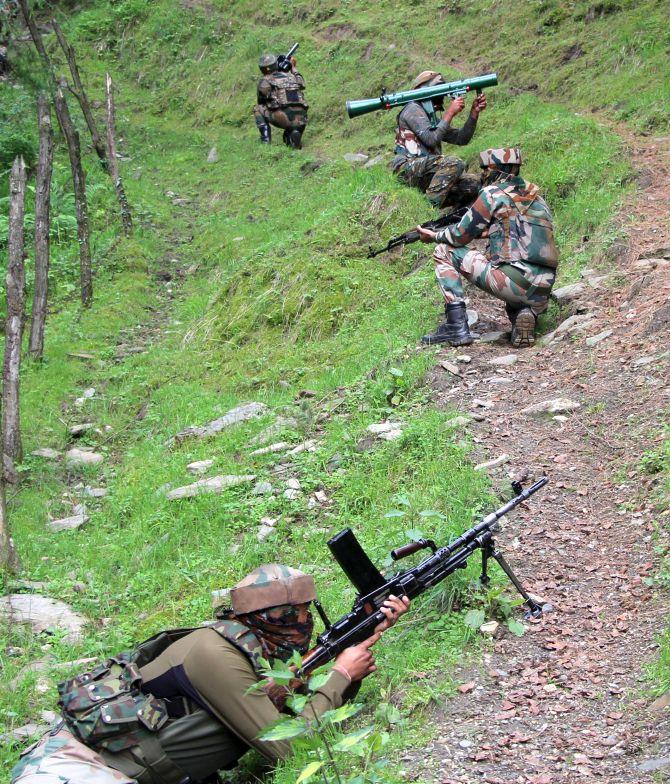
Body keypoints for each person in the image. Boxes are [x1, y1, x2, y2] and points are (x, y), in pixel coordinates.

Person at [11, 565, 409, 784]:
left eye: (308, 610)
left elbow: (298, 706)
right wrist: (340, 673)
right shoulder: (215, 655)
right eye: (295, 614)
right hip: (72, 767)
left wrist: (347, 665)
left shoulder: (250, 653)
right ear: (264, 620)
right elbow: (292, 750)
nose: (304, 622)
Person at [417, 147, 559, 348]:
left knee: (444, 250)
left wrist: (433, 235)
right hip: (543, 289)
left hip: (515, 283)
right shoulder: (536, 196)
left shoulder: (492, 193)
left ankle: (455, 327)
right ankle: (525, 314)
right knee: (513, 274)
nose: (482, 176)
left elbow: (459, 236)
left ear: (493, 170)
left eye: (484, 171)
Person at [391, 70, 487, 211]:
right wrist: (449, 113)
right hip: (406, 169)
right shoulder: (412, 109)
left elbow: (461, 138)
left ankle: (450, 218)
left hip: (426, 171)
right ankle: (426, 211)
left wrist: (474, 113)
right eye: (438, 88)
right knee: (454, 163)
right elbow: (431, 139)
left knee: (474, 185)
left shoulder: (430, 118)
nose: (442, 95)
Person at [253, 53, 308, 149]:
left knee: (258, 108)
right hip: (302, 118)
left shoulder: (266, 80)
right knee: (290, 134)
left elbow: (261, 100)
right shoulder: (291, 76)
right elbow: (302, 84)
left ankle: (265, 142)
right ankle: (293, 135)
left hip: (285, 118)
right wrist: (293, 67)